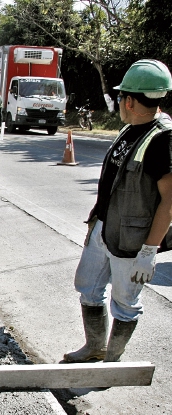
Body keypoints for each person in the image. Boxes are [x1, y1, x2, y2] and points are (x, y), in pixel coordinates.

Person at [63, 59, 172, 363]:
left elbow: (170, 201)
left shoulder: (163, 139)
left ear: (131, 100)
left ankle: (112, 361)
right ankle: (94, 346)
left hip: (132, 240)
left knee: (125, 302)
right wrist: (96, 220)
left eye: (123, 97)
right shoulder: (132, 129)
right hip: (105, 226)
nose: (120, 102)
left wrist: (149, 251)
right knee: (88, 286)